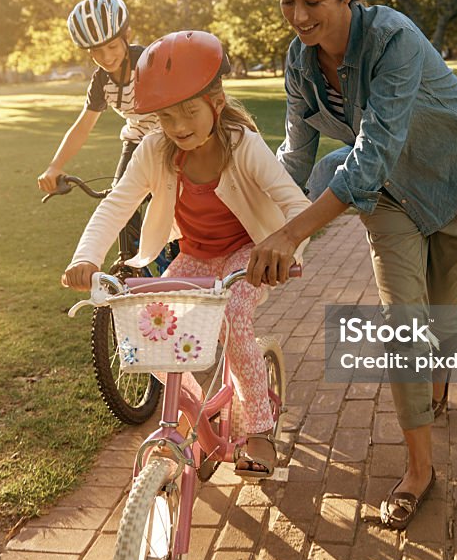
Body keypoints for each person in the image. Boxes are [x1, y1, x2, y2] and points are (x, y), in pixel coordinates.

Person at [246, 0, 457, 529]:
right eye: (287, 1)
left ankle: (440, 376)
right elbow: (296, 156)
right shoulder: (297, 62)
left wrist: (294, 233)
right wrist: (260, 223)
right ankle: (420, 470)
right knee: (402, 323)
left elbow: (372, 151)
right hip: (387, 198)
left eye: (312, 1)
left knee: (443, 312)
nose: (298, 15)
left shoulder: (392, 37)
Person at [62, 30, 311, 477]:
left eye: (189, 111)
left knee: (233, 316)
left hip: (246, 255)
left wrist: (283, 250)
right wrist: (86, 257)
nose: (177, 126)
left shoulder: (242, 145)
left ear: (215, 102)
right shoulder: (157, 150)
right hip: (195, 255)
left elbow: (296, 207)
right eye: (164, 116)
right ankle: (194, 412)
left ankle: (257, 427)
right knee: (149, 332)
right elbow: (117, 203)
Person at [37, 0, 160, 192]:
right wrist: (55, 166)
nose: (106, 57)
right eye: (96, 51)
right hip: (137, 140)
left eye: (112, 46)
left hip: (174, 137)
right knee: (119, 201)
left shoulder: (150, 62)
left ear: (126, 36)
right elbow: (83, 128)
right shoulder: (101, 81)